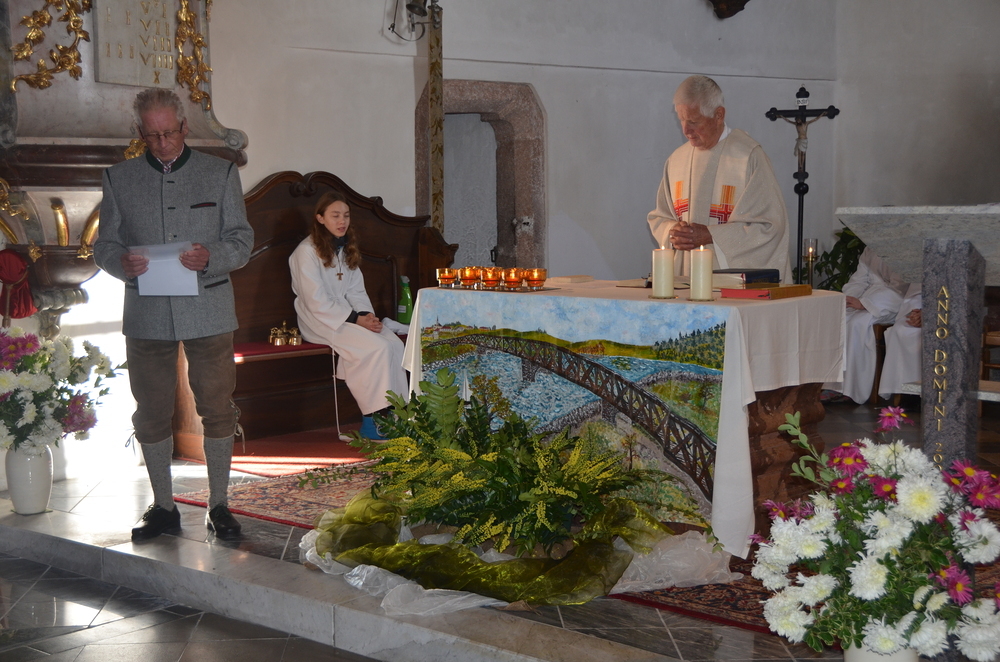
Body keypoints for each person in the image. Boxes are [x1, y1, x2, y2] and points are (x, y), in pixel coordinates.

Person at [95, 88, 253, 541]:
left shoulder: (220, 172)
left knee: (217, 407)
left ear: (184, 127)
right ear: (139, 132)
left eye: (169, 133)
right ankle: (163, 506)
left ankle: (219, 504)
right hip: (146, 313)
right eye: (152, 135)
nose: (162, 143)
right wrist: (119, 262)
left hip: (209, 308)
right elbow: (104, 245)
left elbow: (241, 240)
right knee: (150, 411)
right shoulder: (119, 178)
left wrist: (212, 256)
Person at [289, 191, 408, 439]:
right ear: (320, 218)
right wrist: (355, 319)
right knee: (376, 348)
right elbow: (315, 300)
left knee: (395, 345)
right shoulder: (306, 252)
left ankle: (398, 416)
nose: (342, 221)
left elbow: (356, 290)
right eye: (335, 215)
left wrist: (367, 316)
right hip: (320, 319)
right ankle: (372, 422)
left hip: (350, 315)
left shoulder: (344, 248)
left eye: (346, 215)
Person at [647, 75, 791, 280]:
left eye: (693, 121)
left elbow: (769, 227)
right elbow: (660, 218)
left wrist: (710, 235)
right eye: (681, 120)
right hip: (685, 279)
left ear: (719, 115)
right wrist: (673, 232)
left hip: (731, 284)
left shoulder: (748, 156)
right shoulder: (677, 160)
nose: (686, 130)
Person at [821, 248, 909, 404]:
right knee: (838, 319)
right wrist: (849, 298)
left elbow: (901, 287)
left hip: (891, 302)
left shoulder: (902, 247)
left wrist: (865, 303)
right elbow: (859, 280)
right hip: (868, 298)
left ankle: (851, 389)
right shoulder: (870, 249)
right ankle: (832, 384)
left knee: (858, 324)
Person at [878, 284, 922, 400]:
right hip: (920, 304)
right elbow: (916, 291)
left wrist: (931, 314)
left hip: (949, 311)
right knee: (901, 330)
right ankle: (908, 393)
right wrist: (917, 312)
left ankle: (928, 393)